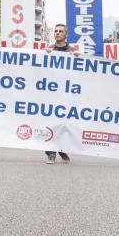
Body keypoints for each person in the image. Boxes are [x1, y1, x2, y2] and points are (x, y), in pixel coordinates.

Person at [44, 23, 79, 164]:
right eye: (56, 31)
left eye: (61, 31)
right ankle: (50, 153)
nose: (57, 33)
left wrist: (78, 56)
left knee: (64, 124)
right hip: (50, 93)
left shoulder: (72, 50)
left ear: (66, 34)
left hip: (66, 94)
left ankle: (63, 149)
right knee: (49, 123)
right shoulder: (48, 50)